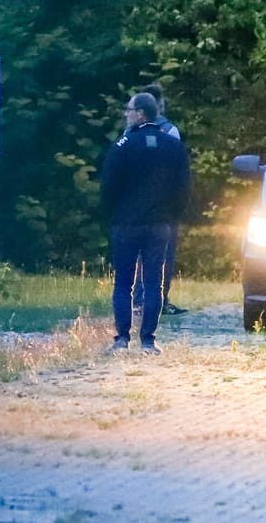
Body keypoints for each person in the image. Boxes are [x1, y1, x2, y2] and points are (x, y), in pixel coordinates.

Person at [100, 91, 191, 354]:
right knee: (154, 283)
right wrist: (171, 215)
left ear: (140, 114)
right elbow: (183, 189)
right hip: (160, 224)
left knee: (123, 283)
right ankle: (149, 340)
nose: (125, 114)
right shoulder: (173, 146)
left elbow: (108, 187)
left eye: (129, 110)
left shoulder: (123, 145)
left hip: (126, 223)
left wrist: (112, 215)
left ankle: (121, 339)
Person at [130, 83, 189, 316]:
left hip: (135, 203)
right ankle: (159, 300)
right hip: (163, 204)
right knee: (163, 253)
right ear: (159, 106)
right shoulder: (170, 131)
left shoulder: (130, 133)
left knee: (139, 253)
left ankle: (139, 299)